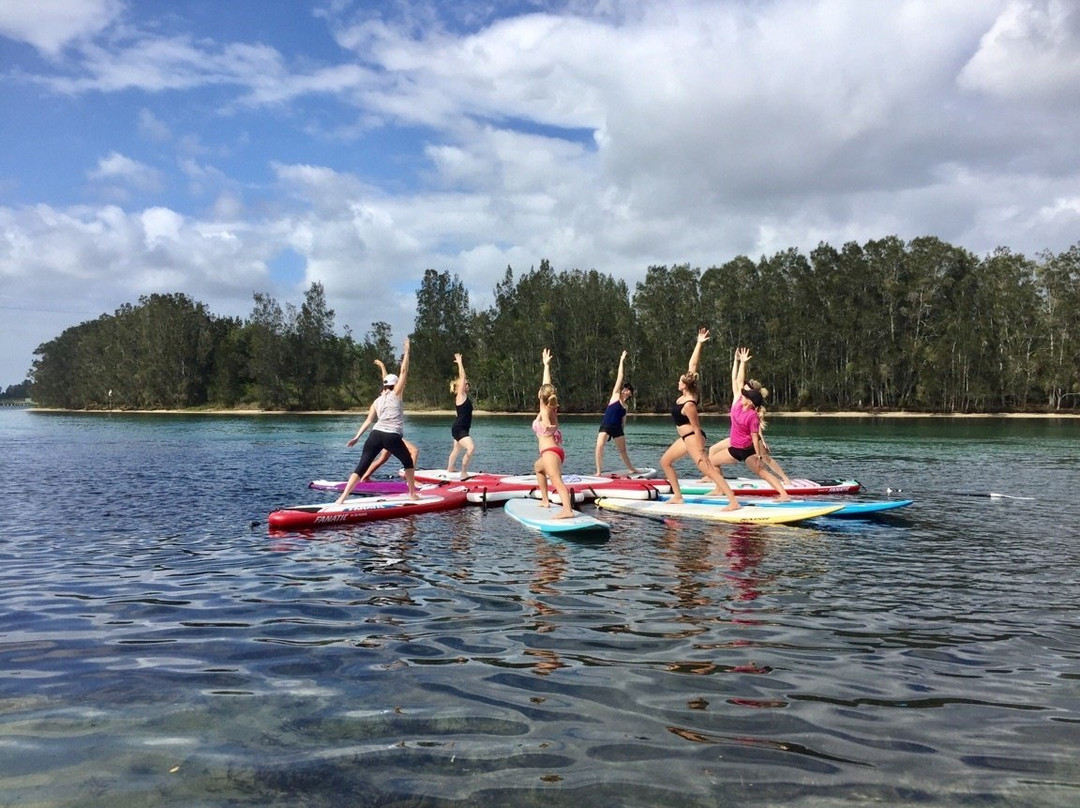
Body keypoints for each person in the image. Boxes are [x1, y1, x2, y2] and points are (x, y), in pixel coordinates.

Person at [659, 329, 739, 509]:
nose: (678, 382)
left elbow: (696, 427)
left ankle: (733, 500)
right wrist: (699, 343)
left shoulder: (689, 403)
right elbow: (692, 364)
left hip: (693, 438)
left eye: (680, 381)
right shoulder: (688, 392)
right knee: (665, 462)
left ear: (685, 386)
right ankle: (678, 496)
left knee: (707, 469)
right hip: (685, 438)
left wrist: (702, 450)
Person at [335, 338, 418, 502]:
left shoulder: (377, 400)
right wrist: (407, 351)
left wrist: (357, 437)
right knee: (408, 462)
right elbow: (403, 372)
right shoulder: (396, 394)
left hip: (374, 435)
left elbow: (368, 421)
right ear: (396, 386)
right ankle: (412, 494)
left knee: (361, 467)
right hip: (391, 435)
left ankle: (342, 498)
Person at [708, 347, 792, 500]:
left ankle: (784, 495)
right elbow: (739, 380)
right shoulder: (737, 403)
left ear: (751, 401)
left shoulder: (753, 416)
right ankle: (720, 489)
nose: (743, 395)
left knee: (762, 472)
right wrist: (742, 363)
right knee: (712, 462)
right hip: (734, 448)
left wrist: (759, 455)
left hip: (747, 450)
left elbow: (755, 436)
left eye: (746, 395)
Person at [358, 357, 419, 481]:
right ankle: (410, 480)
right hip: (388, 433)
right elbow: (387, 381)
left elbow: (386, 380)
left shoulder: (386, 397)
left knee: (382, 459)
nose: (385, 391)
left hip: (386, 433)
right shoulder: (384, 399)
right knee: (414, 450)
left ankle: (365, 476)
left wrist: (382, 366)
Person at [532, 348, 575, 519]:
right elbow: (546, 386)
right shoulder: (550, 408)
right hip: (553, 451)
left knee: (557, 481)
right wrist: (546, 366)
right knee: (538, 468)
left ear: (540, 396)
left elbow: (545, 387)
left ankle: (567, 510)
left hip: (550, 452)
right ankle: (545, 500)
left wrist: (546, 367)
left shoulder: (545, 412)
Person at [594, 350, 639, 476]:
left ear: (630, 393)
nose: (625, 390)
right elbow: (620, 376)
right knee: (599, 447)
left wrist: (622, 431)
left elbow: (623, 421)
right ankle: (598, 472)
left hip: (617, 429)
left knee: (623, 450)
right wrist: (621, 360)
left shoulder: (625, 406)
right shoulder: (615, 396)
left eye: (628, 389)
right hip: (606, 425)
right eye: (625, 388)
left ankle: (631, 469)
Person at [446, 353, 476, 478]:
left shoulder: (464, 398)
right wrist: (460, 363)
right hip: (460, 429)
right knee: (471, 448)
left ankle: (450, 468)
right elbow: (462, 376)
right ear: (459, 387)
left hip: (460, 427)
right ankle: (463, 473)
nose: (467, 385)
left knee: (456, 449)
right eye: (465, 384)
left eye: (467, 384)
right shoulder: (460, 395)